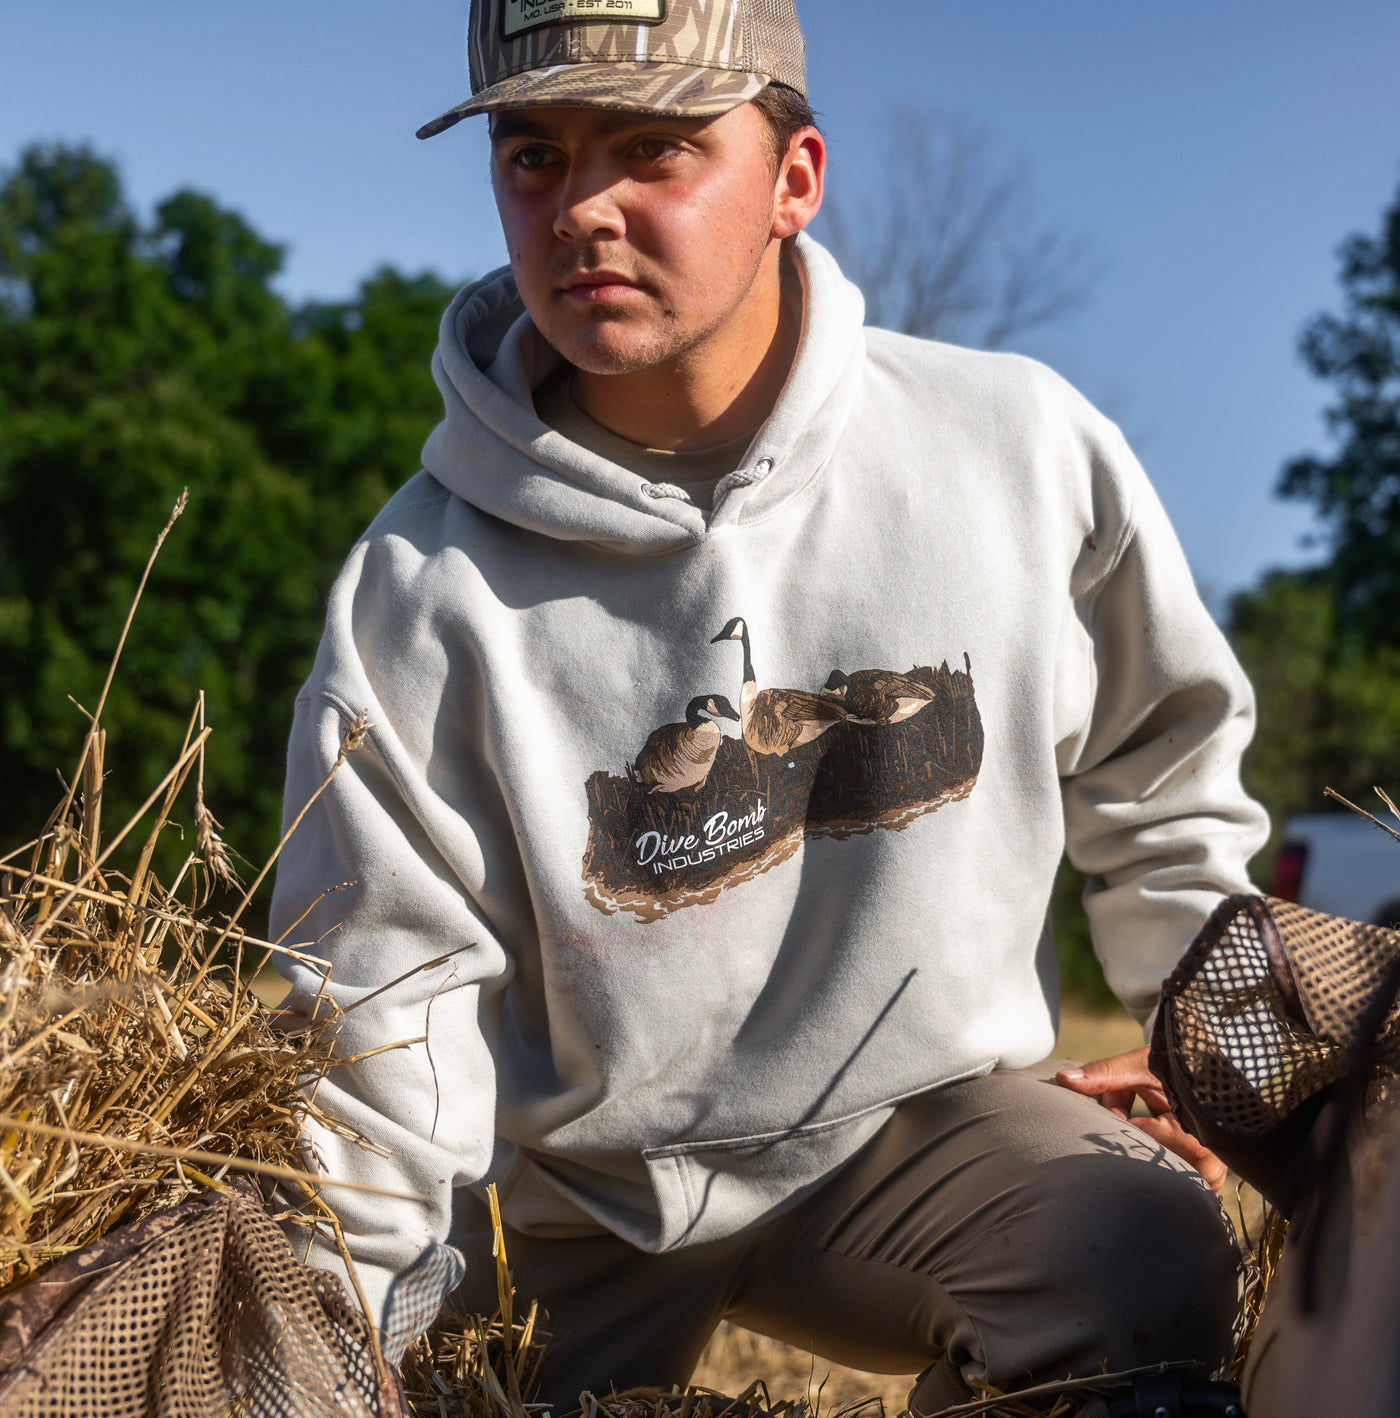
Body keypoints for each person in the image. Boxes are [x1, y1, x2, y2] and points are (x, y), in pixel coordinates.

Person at [269, 1, 1268, 1410]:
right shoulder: (420, 587)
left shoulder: (1016, 450)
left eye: (655, 150)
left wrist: (1220, 1056)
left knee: (1137, 1248)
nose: (584, 211)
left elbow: (1164, 783)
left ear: (797, 177)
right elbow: (383, 1006)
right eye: (536, 156)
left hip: (901, 1146)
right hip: (563, 1197)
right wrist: (343, 1331)